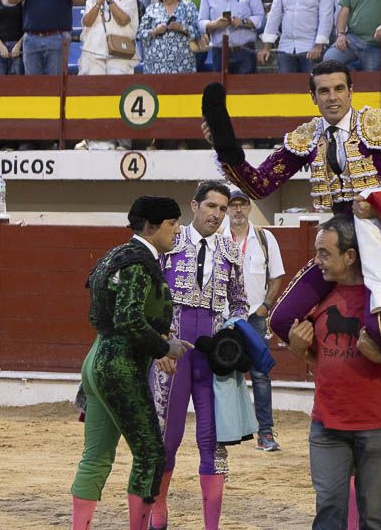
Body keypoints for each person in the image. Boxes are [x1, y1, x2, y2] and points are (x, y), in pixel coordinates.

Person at [285, 213, 381, 529]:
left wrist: (380, 357)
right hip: (327, 422)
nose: (317, 262)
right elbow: (322, 359)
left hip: (378, 424)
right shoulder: (318, 298)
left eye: (324, 253)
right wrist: (299, 351)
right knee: (328, 512)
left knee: (375, 517)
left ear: (350, 256)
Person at [69, 196, 192, 530]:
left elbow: (104, 313)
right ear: (152, 226)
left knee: (96, 456)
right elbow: (129, 319)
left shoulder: (115, 255)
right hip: (120, 365)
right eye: (172, 223)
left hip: (96, 358)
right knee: (151, 455)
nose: (177, 230)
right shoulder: (139, 263)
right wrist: (164, 346)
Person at [207, 59, 381, 215]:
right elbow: (259, 186)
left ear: (351, 92)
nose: (332, 98)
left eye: (339, 89)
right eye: (324, 91)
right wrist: (225, 147)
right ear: (313, 97)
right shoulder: (305, 138)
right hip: (334, 238)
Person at [148, 181, 248, 530]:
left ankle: (211, 525)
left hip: (210, 354)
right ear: (195, 206)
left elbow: (239, 302)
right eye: (212, 207)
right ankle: (158, 512)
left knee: (213, 439)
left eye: (223, 209)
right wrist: (159, 341)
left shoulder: (230, 248)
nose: (218, 215)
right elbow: (151, 295)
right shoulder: (170, 242)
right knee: (168, 435)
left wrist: (232, 338)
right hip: (173, 351)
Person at [224, 189, 286, 452]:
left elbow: (276, 277)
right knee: (225, 374)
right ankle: (228, 431)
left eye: (242, 205)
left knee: (260, 375)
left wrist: (265, 307)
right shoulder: (218, 238)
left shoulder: (264, 237)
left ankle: (265, 432)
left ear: (249, 208)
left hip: (254, 316)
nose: (237, 210)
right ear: (227, 209)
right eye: (233, 206)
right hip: (224, 316)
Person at [198, 0, 266, 74]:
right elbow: (201, 23)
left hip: (245, 51)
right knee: (220, 90)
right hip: (219, 52)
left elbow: (261, 19)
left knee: (245, 90)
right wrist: (215, 24)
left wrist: (243, 22)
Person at [79, 0, 139, 77]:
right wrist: (99, 1)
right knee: (96, 87)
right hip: (95, 50)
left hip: (120, 50)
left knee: (117, 86)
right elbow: (87, 22)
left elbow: (123, 20)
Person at [139, 0, 204, 74]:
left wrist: (182, 27)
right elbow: (140, 34)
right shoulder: (151, 9)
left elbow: (199, 32)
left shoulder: (188, 6)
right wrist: (155, 31)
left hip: (183, 64)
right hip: (156, 65)